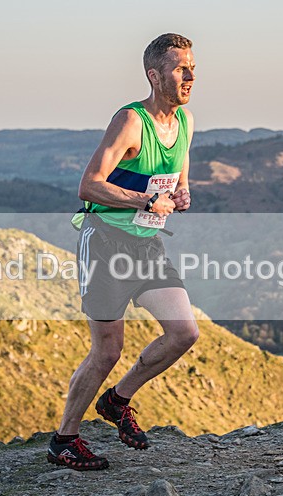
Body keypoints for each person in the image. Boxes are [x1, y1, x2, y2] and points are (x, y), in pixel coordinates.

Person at [47, 33, 199, 470]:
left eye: (192, 68)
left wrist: (182, 195)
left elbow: (179, 176)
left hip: (147, 244)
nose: (189, 76)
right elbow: (89, 184)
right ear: (154, 76)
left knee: (183, 333)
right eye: (178, 69)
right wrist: (144, 202)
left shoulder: (184, 122)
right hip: (105, 244)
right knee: (107, 351)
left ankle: (118, 400)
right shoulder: (131, 121)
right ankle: (64, 440)